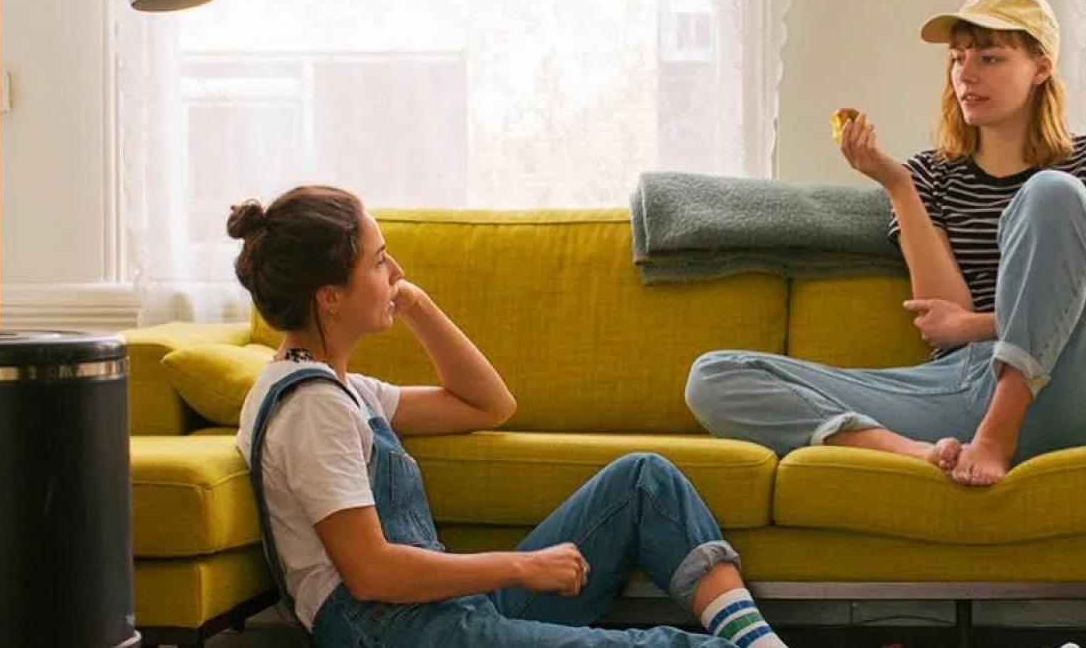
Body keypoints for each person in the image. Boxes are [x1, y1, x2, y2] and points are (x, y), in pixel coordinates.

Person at [231, 185, 788, 646]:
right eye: (379, 262)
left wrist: (418, 307)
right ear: (330, 297)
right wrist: (521, 566)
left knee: (644, 480)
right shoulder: (313, 410)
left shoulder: (340, 388)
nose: (395, 270)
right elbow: (371, 571)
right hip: (402, 633)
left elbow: (488, 405)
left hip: (441, 613)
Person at [685, 0, 1086, 487]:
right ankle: (914, 454)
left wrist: (972, 325)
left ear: (1040, 67)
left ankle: (996, 436)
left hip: (1070, 388)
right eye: (957, 58)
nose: (966, 74)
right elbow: (939, 313)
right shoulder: (929, 174)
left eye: (990, 58)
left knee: (1052, 192)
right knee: (716, 375)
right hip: (960, 388)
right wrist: (898, 185)